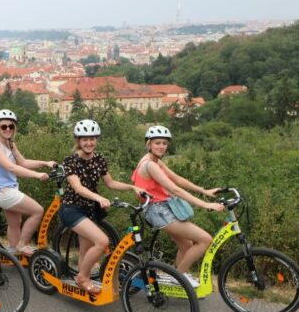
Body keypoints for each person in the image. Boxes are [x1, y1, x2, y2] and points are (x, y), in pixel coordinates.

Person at [58, 120, 146, 295]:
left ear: (96, 140)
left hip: (89, 210)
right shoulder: (70, 161)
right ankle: (82, 278)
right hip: (72, 209)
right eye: (84, 139)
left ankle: (84, 278)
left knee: (86, 248)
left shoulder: (99, 159)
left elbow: (110, 183)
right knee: (102, 241)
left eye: (92, 139)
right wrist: (99, 198)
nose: (89, 143)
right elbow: (78, 188)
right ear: (78, 141)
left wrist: (132, 187)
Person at [131, 125, 224, 286]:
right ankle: (180, 277)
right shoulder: (150, 165)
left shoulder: (155, 161)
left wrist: (204, 191)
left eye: (164, 143)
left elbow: (178, 179)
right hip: (158, 211)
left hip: (163, 207)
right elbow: (175, 189)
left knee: (186, 245)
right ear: (149, 144)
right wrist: (205, 204)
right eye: (157, 143)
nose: (161, 146)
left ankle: (180, 276)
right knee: (205, 240)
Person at [0, 109, 55, 257]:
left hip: (6, 189)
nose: (8, 129)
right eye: (4, 126)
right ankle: (22, 245)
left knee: (15, 222)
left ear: (14, 127)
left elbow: (23, 162)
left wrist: (45, 163)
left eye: (11, 126)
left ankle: (14, 253)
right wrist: (37, 175)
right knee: (37, 211)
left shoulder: (10, 144)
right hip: (2, 191)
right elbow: (11, 167)